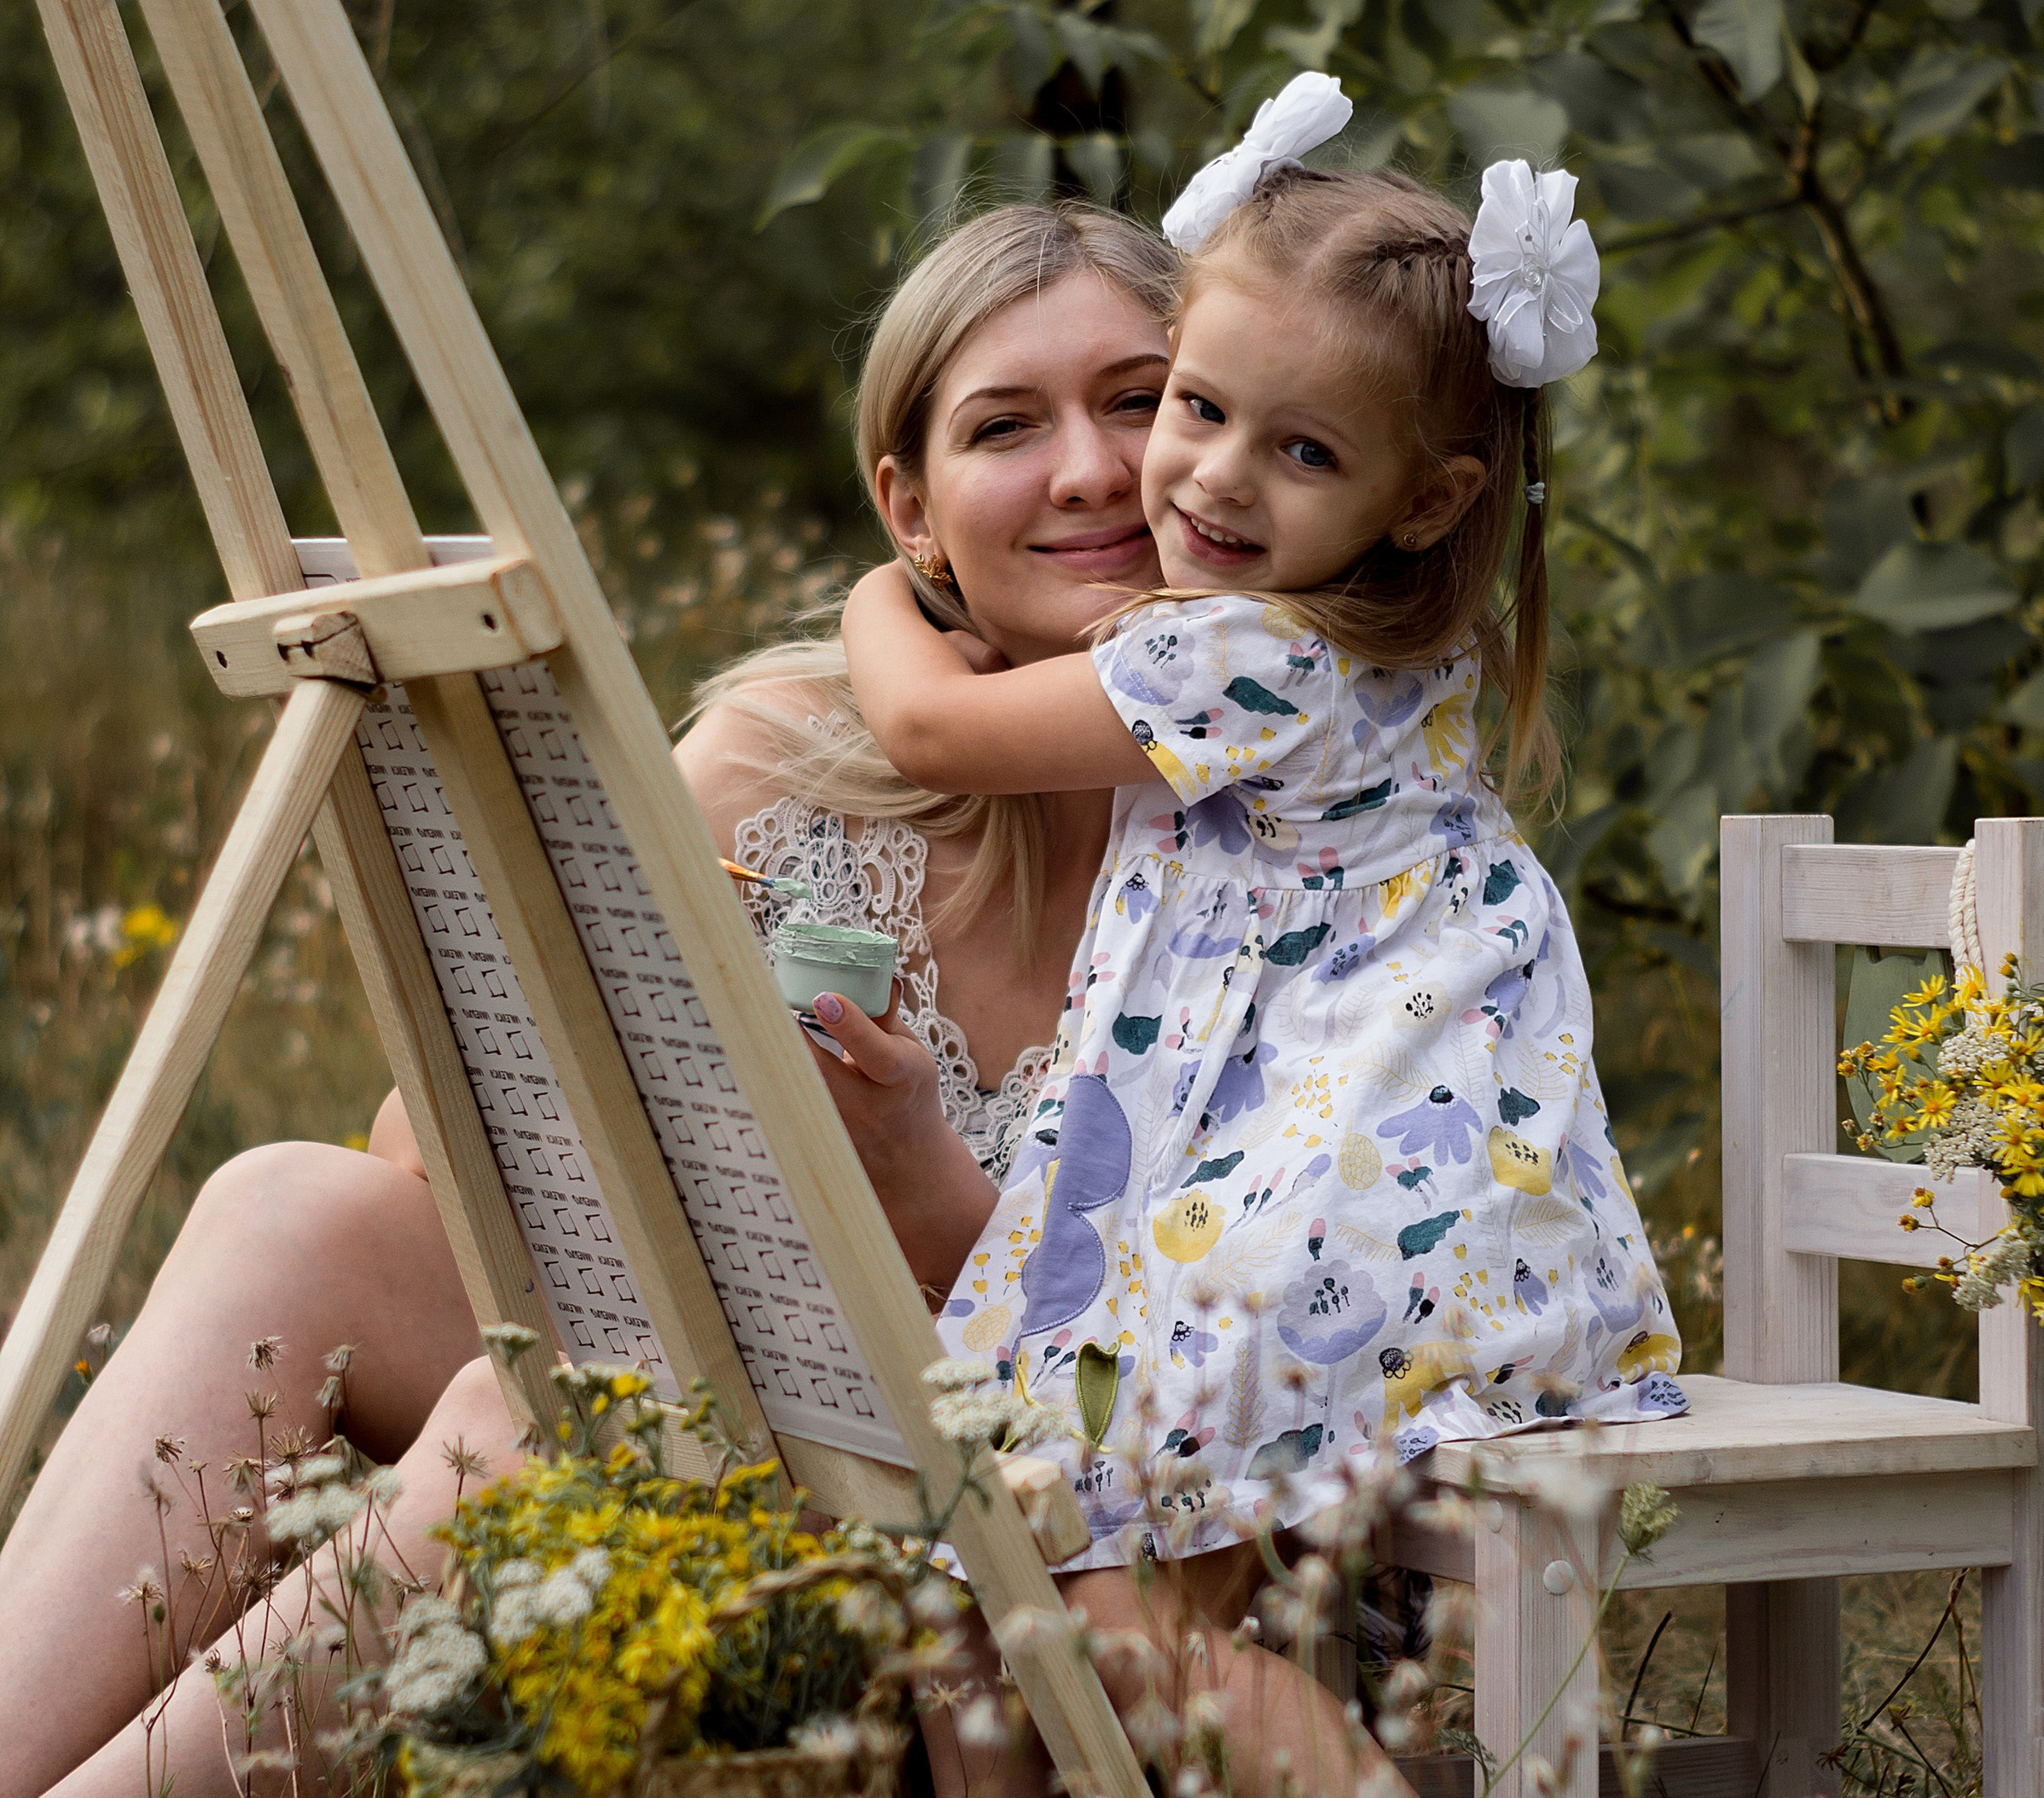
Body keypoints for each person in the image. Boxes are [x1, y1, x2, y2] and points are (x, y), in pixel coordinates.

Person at [2, 202, 1353, 1798]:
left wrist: (920, 1187)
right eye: (1007, 424)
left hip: (1044, 1557)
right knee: (285, 1206)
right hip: (757, 1444)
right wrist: (612, 1045)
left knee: (554, 1426)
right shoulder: (792, 763)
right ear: (910, 515)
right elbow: (419, 1166)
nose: (1084, 468)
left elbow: (1234, 1374)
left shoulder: (1320, 825)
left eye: (1140, 400)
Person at [841, 81, 1686, 1603]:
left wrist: (886, 595)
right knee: (1103, 1603)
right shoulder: (1394, 648)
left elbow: (929, 733)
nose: (1215, 476)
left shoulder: (1242, 658)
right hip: (1446, 1220)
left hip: (1321, 1238)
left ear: (1429, 500)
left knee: (1108, 1610)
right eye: (1202, 407)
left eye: (1303, 453)